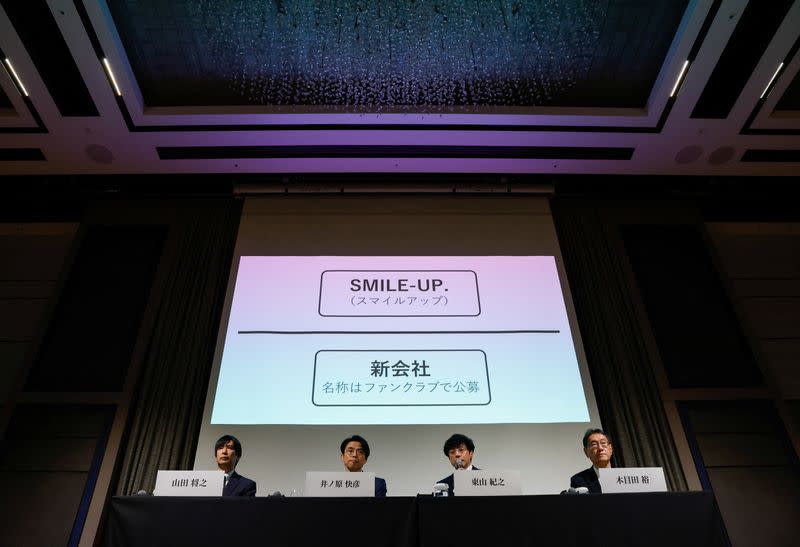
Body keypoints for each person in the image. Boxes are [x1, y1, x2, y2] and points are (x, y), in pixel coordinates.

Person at [570, 428, 614, 493]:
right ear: (586, 452)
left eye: (603, 443)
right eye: (594, 445)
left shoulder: (625, 475)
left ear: (610, 449)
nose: (600, 448)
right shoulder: (579, 480)